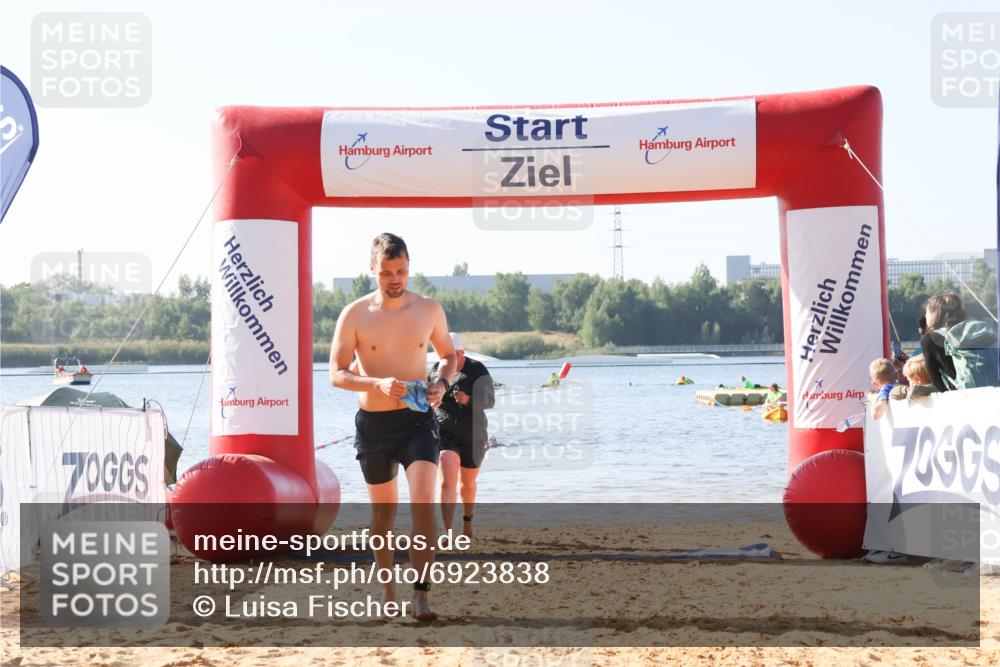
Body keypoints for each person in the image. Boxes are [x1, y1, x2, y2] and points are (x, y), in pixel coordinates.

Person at [330, 233, 456, 621]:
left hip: (417, 421)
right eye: (386, 272)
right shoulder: (354, 314)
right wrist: (376, 383)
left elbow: (449, 355)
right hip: (374, 425)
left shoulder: (429, 309)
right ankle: (388, 591)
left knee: (423, 503)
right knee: (383, 514)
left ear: (409, 267)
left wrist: (443, 382)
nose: (395, 279)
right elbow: (336, 374)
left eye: (401, 271)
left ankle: (421, 596)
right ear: (373, 270)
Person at [429, 332, 495, 538]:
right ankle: (446, 531)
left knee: (467, 484)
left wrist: (468, 399)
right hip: (444, 430)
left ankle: (467, 521)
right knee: (446, 479)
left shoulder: (477, 370)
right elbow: (424, 400)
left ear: (461, 353)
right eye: (444, 355)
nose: (448, 360)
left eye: (453, 355)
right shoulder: (434, 372)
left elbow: (490, 402)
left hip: (473, 433)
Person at [920, 293, 967, 392]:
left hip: (957, 391)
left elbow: (934, 376)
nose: (925, 316)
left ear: (934, 314)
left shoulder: (929, 339)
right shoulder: (965, 331)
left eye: (927, 312)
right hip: (984, 384)